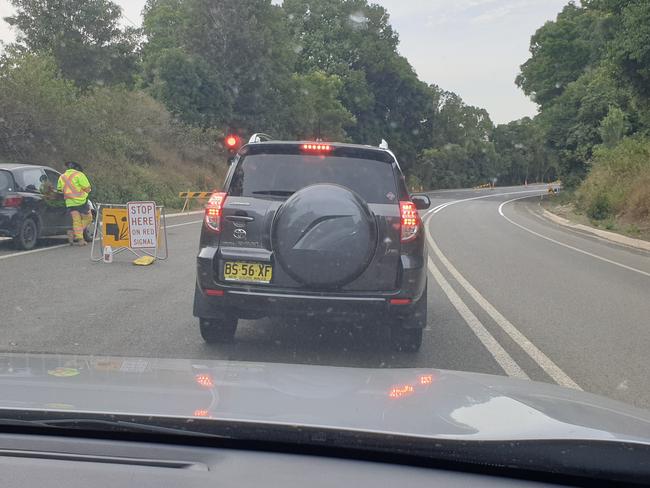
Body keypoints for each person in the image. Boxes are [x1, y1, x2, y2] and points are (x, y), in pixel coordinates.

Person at [57, 161, 92, 246]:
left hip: (70, 203)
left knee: (76, 221)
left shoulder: (62, 177)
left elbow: (59, 189)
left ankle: (75, 234)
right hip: (81, 202)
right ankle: (79, 238)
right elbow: (87, 188)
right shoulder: (79, 175)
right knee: (88, 218)